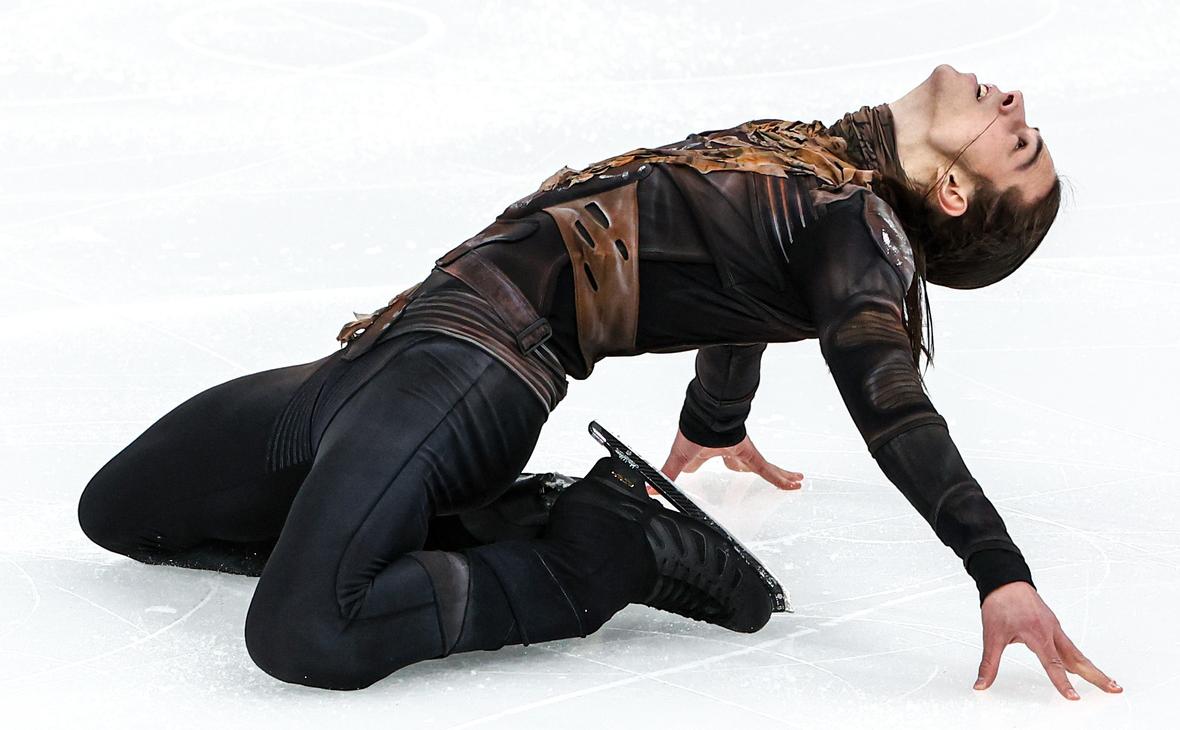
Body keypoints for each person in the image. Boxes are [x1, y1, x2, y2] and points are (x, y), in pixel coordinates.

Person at [77, 63, 1122, 699]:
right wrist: (717, 415)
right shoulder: (823, 166)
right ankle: (486, 521)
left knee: (307, 630)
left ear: (952, 191)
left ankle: (603, 548)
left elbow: (891, 402)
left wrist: (998, 569)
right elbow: (742, 276)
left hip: (472, 375)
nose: (1013, 103)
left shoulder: (865, 233)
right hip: (387, 351)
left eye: (1017, 141)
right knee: (120, 512)